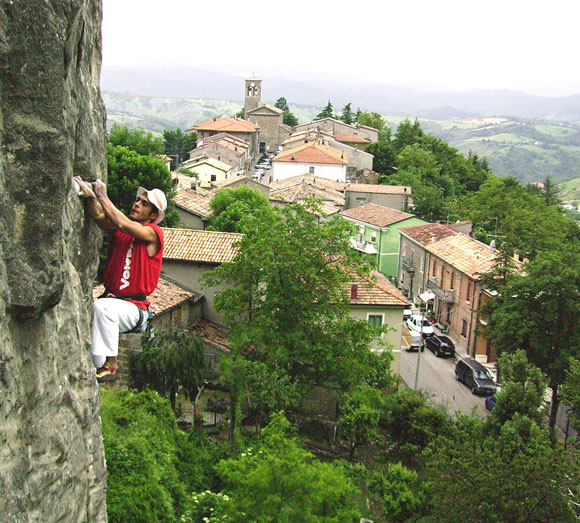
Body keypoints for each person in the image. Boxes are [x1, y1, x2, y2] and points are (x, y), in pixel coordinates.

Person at [74, 176, 166, 383]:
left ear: (153, 215)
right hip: (115, 302)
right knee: (93, 357)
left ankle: (112, 364)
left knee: (103, 308)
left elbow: (123, 223)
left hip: (135, 308)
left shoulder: (153, 233)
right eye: (138, 200)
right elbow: (100, 215)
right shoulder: (122, 228)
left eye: (144, 204)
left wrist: (102, 195)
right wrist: (90, 197)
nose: (136, 204)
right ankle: (96, 372)